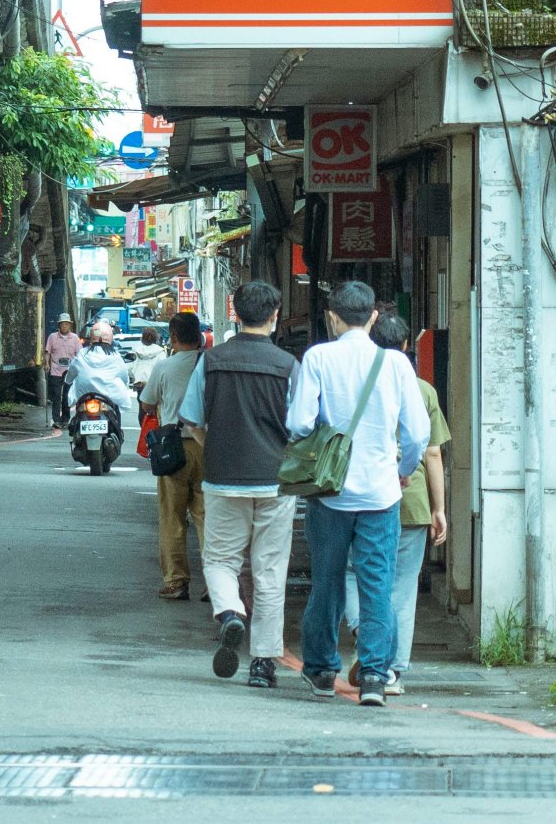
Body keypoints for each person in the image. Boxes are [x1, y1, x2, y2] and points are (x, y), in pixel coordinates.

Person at [288, 280, 429, 707]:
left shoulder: (318, 357)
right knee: (377, 586)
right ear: (373, 317)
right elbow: (418, 434)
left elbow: (298, 423)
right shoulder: (396, 364)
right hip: (381, 496)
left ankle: (322, 671)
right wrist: (401, 471)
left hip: (331, 494)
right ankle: (372, 676)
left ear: (332, 316)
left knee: (327, 585)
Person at [178, 281, 299, 687]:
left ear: (234, 312)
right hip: (274, 481)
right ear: (275, 315)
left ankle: (230, 613)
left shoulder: (210, 361)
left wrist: (215, 448)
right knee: (269, 571)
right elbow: (301, 427)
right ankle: (263, 663)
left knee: (220, 561)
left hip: (222, 478)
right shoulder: (288, 366)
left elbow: (191, 420)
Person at [342, 312, 449, 696]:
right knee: (401, 588)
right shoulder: (422, 389)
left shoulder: (356, 382)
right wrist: (439, 508)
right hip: (413, 498)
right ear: (407, 347)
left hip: (363, 491)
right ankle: (391, 673)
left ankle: (363, 630)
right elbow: (432, 453)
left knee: (354, 574)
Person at [140, 312, 208, 601]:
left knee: (172, 518)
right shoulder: (211, 366)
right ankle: (218, 585)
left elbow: (146, 403)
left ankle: (177, 581)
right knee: (208, 519)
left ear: (174, 337)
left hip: (174, 450)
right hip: (207, 447)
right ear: (200, 336)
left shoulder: (164, 367)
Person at [62, 320, 138, 427]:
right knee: (116, 412)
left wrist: (68, 381)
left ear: (91, 336)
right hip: (109, 397)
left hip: (84, 396)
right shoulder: (115, 356)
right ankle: (118, 433)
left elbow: (71, 372)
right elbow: (124, 376)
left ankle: (72, 426)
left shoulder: (83, 354)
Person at [42, 313, 82, 417]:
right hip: (56, 370)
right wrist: (46, 364)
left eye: (66, 324)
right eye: (62, 324)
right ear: (59, 325)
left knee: (67, 395)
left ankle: (65, 418)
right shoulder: (52, 337)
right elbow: (47, 352)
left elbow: (80, 355)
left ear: (70, 325)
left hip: (70, 371)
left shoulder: (75, 338)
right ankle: (56, 419)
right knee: (56, 396)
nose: (64, 326)